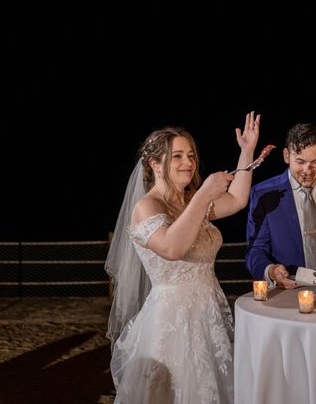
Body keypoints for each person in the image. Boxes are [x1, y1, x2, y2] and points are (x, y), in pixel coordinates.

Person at [105, 111, 261, 404]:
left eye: (190, 155)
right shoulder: (146, 206)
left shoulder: (190, 201)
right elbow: (172, 248)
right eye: (177, 156)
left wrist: (247, 151)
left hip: (210, 314)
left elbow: (238, 199)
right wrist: (203, 195)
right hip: (172, 323)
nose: (188, 162)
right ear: (155, 164)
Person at [245, 122, 316, 289]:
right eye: (300, 161)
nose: (307, 170)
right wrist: (271, 270)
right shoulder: (264, 194)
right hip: (291, 289)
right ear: (287, 155)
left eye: (315, 161)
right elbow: (255, 250)